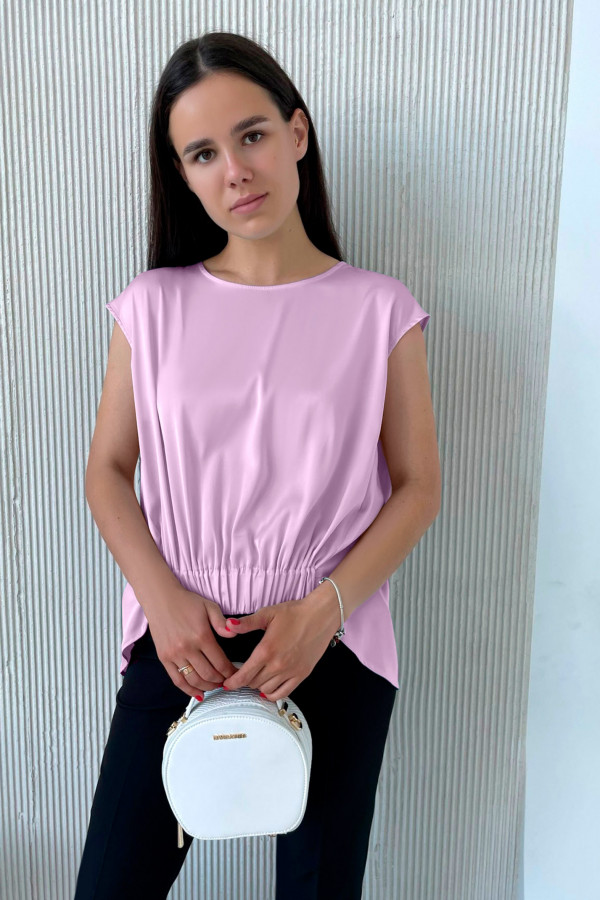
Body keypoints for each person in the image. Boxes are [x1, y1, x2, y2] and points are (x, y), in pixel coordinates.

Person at [74, 30, 441, 900]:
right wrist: (164, 605)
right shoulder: (151, 307)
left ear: (297, 133)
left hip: (331, 639)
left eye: (252, 135)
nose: (236, 171)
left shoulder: (380, 310)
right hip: (181, 644)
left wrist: (322, 613)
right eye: (203, 153)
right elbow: (107, 471)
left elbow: (420, 487)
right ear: (182, 175)